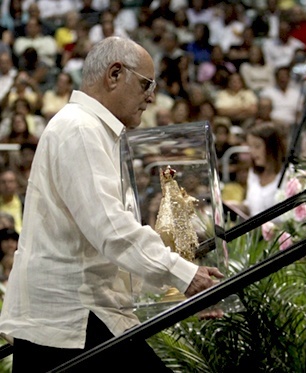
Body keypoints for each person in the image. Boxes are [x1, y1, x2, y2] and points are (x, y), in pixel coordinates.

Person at [0, 36, 223, 372]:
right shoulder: (80, 128)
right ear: (115, 74)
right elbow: (110, 229)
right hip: (71, 318)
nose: (151, 96)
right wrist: (183, 274)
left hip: (76, 316)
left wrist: (177, 273)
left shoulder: (88, 128)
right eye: (147, 84)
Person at [224, 121, 287, 219]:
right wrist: (233, 206)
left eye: (257, 146)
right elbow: (250, 207)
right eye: (250, 146)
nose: (252, 152)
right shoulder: (253, 173)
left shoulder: (288, 175)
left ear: (272, 147)